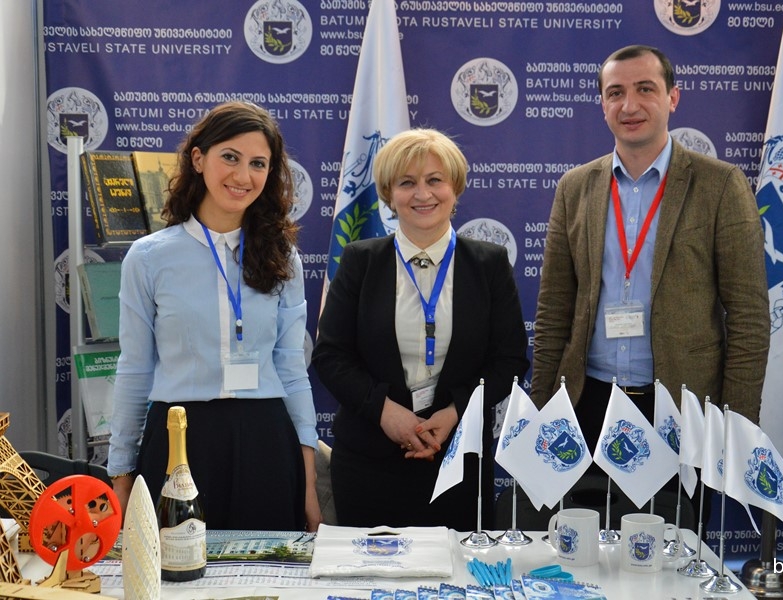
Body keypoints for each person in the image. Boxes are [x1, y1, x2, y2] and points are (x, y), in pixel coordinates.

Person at [531, 45, 770, 516]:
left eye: (645, 89)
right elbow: (554, 309)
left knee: (672, 552)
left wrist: (735, 424)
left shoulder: (720, 184)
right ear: (602, 104)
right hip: (587, 406)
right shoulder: (575, 187)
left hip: (680, 411)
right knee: (583, 549)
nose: (629, 105)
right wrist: (543, 408)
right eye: (615, 93)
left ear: (673, 97)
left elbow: (749, 317)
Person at [107, 101, 321, 532]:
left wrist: (310, 483)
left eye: (258, 163)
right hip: (178, 440)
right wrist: (121, 474)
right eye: (230, 157)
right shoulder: (148, 258)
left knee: (268, 569)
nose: (243, 176)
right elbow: (134, 369)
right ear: (198, 159)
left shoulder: (283, 258)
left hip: (266, 442)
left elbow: (292, 370)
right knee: (175, 568)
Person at [312, 128, 529, 531]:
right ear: (388, 193)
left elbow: (510, 360)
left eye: (434, 180)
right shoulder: (360, 261)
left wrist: (455, 412)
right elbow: (330, 356)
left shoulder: (489, 264)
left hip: (458, 459)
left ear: (455, 187)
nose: (422, 194)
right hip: (368, 462)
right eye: (407, 182)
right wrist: (383, 411)